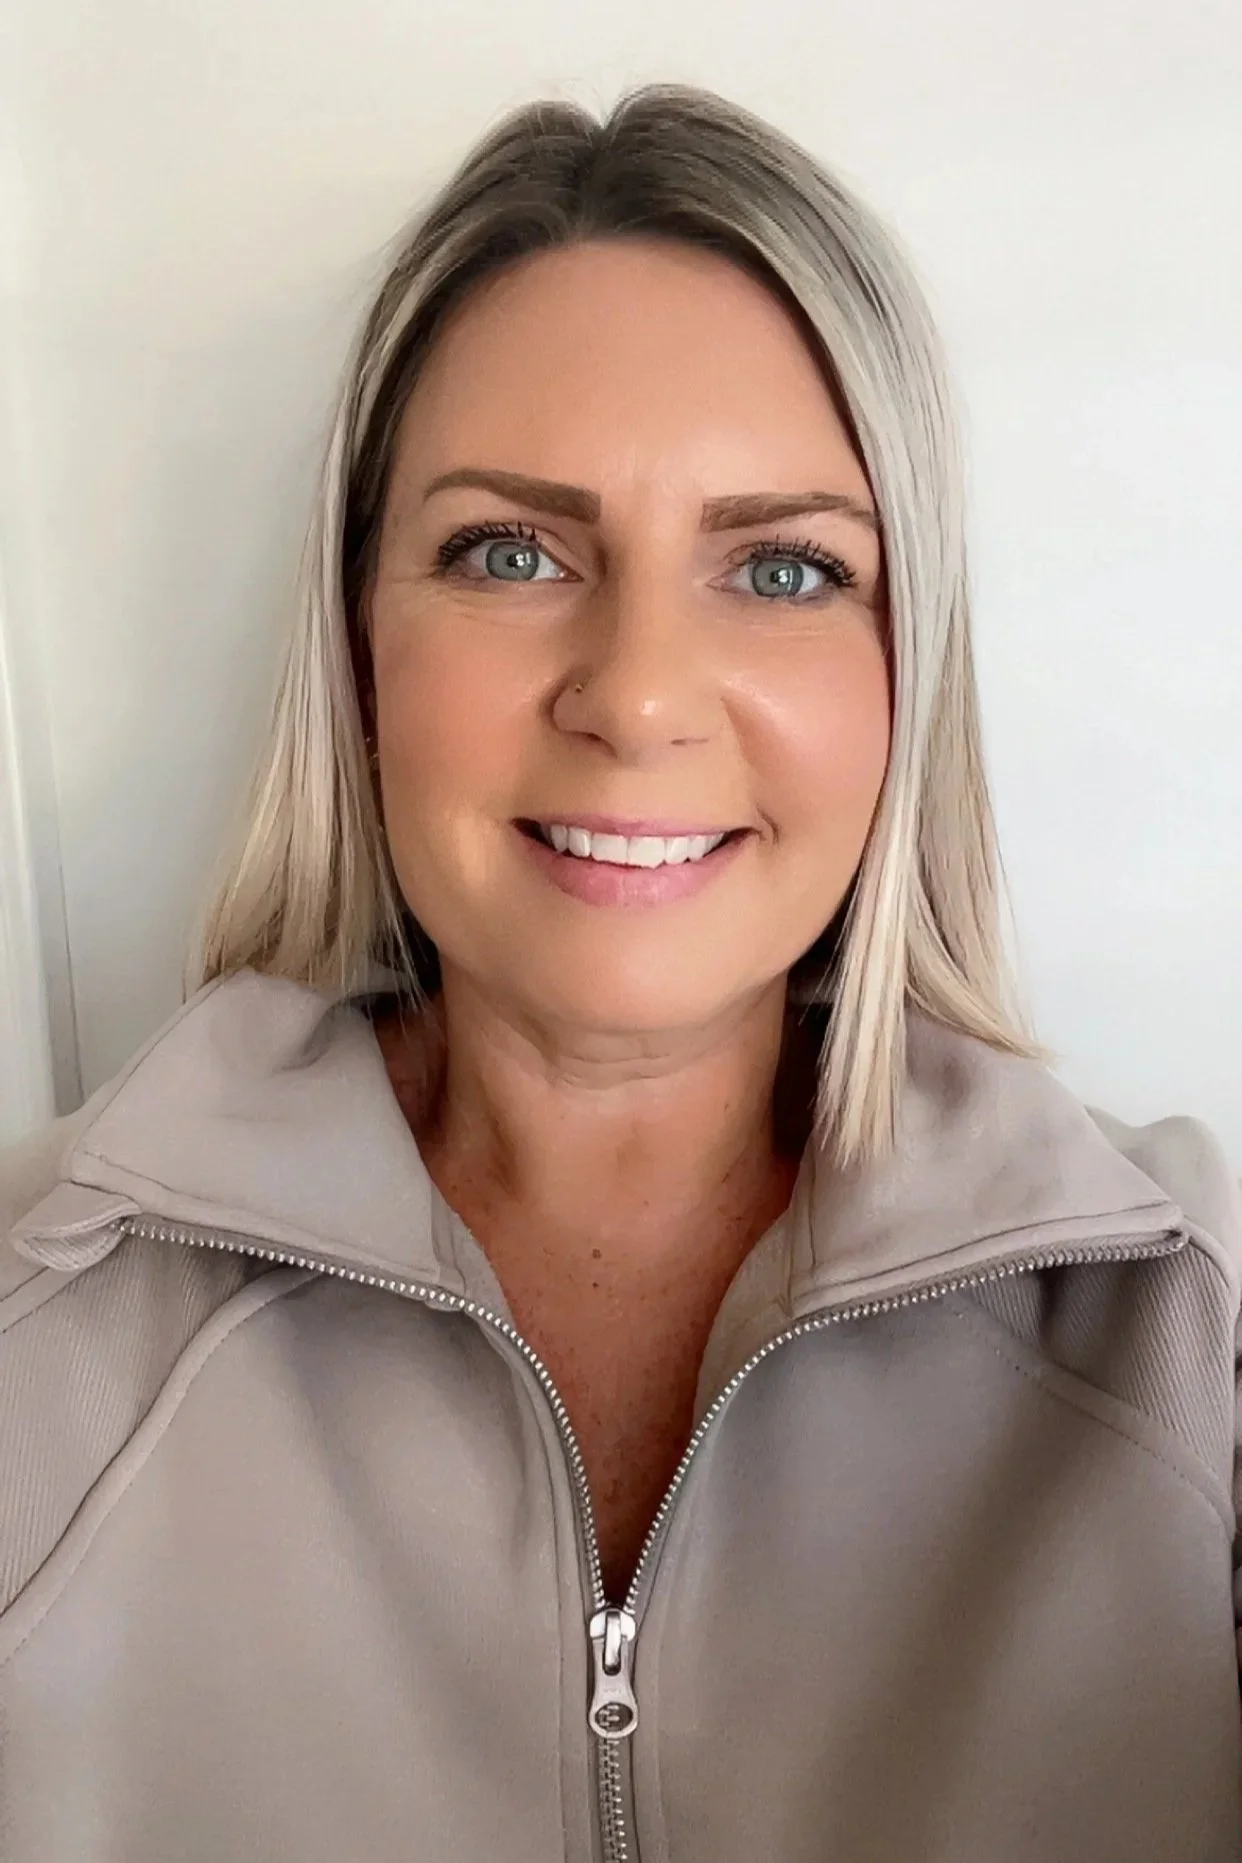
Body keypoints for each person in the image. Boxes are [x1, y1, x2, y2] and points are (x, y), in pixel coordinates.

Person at [0, 81, 1238, 1863]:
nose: (638, 690)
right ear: (357, 645)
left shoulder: (1186, 1321)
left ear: (910, 676)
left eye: (784, 567)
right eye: (510, 551)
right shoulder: (37, 1317)